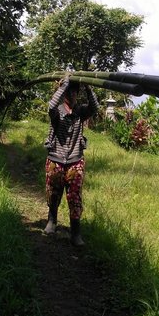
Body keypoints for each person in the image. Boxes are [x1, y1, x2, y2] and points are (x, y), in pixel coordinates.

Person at [43, 76, 99, 246]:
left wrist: (88, 88)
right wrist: (64, 85)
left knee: (74, 197)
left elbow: (94, 107)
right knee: (53, 193)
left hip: (75, 160)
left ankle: (75, 232)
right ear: (65, 93)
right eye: (69, 92)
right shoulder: (57, 112)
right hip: (56, 159)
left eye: (75, 92)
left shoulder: (80, 112)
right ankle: (52, 220)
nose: (73, 95)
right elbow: (50, 106)